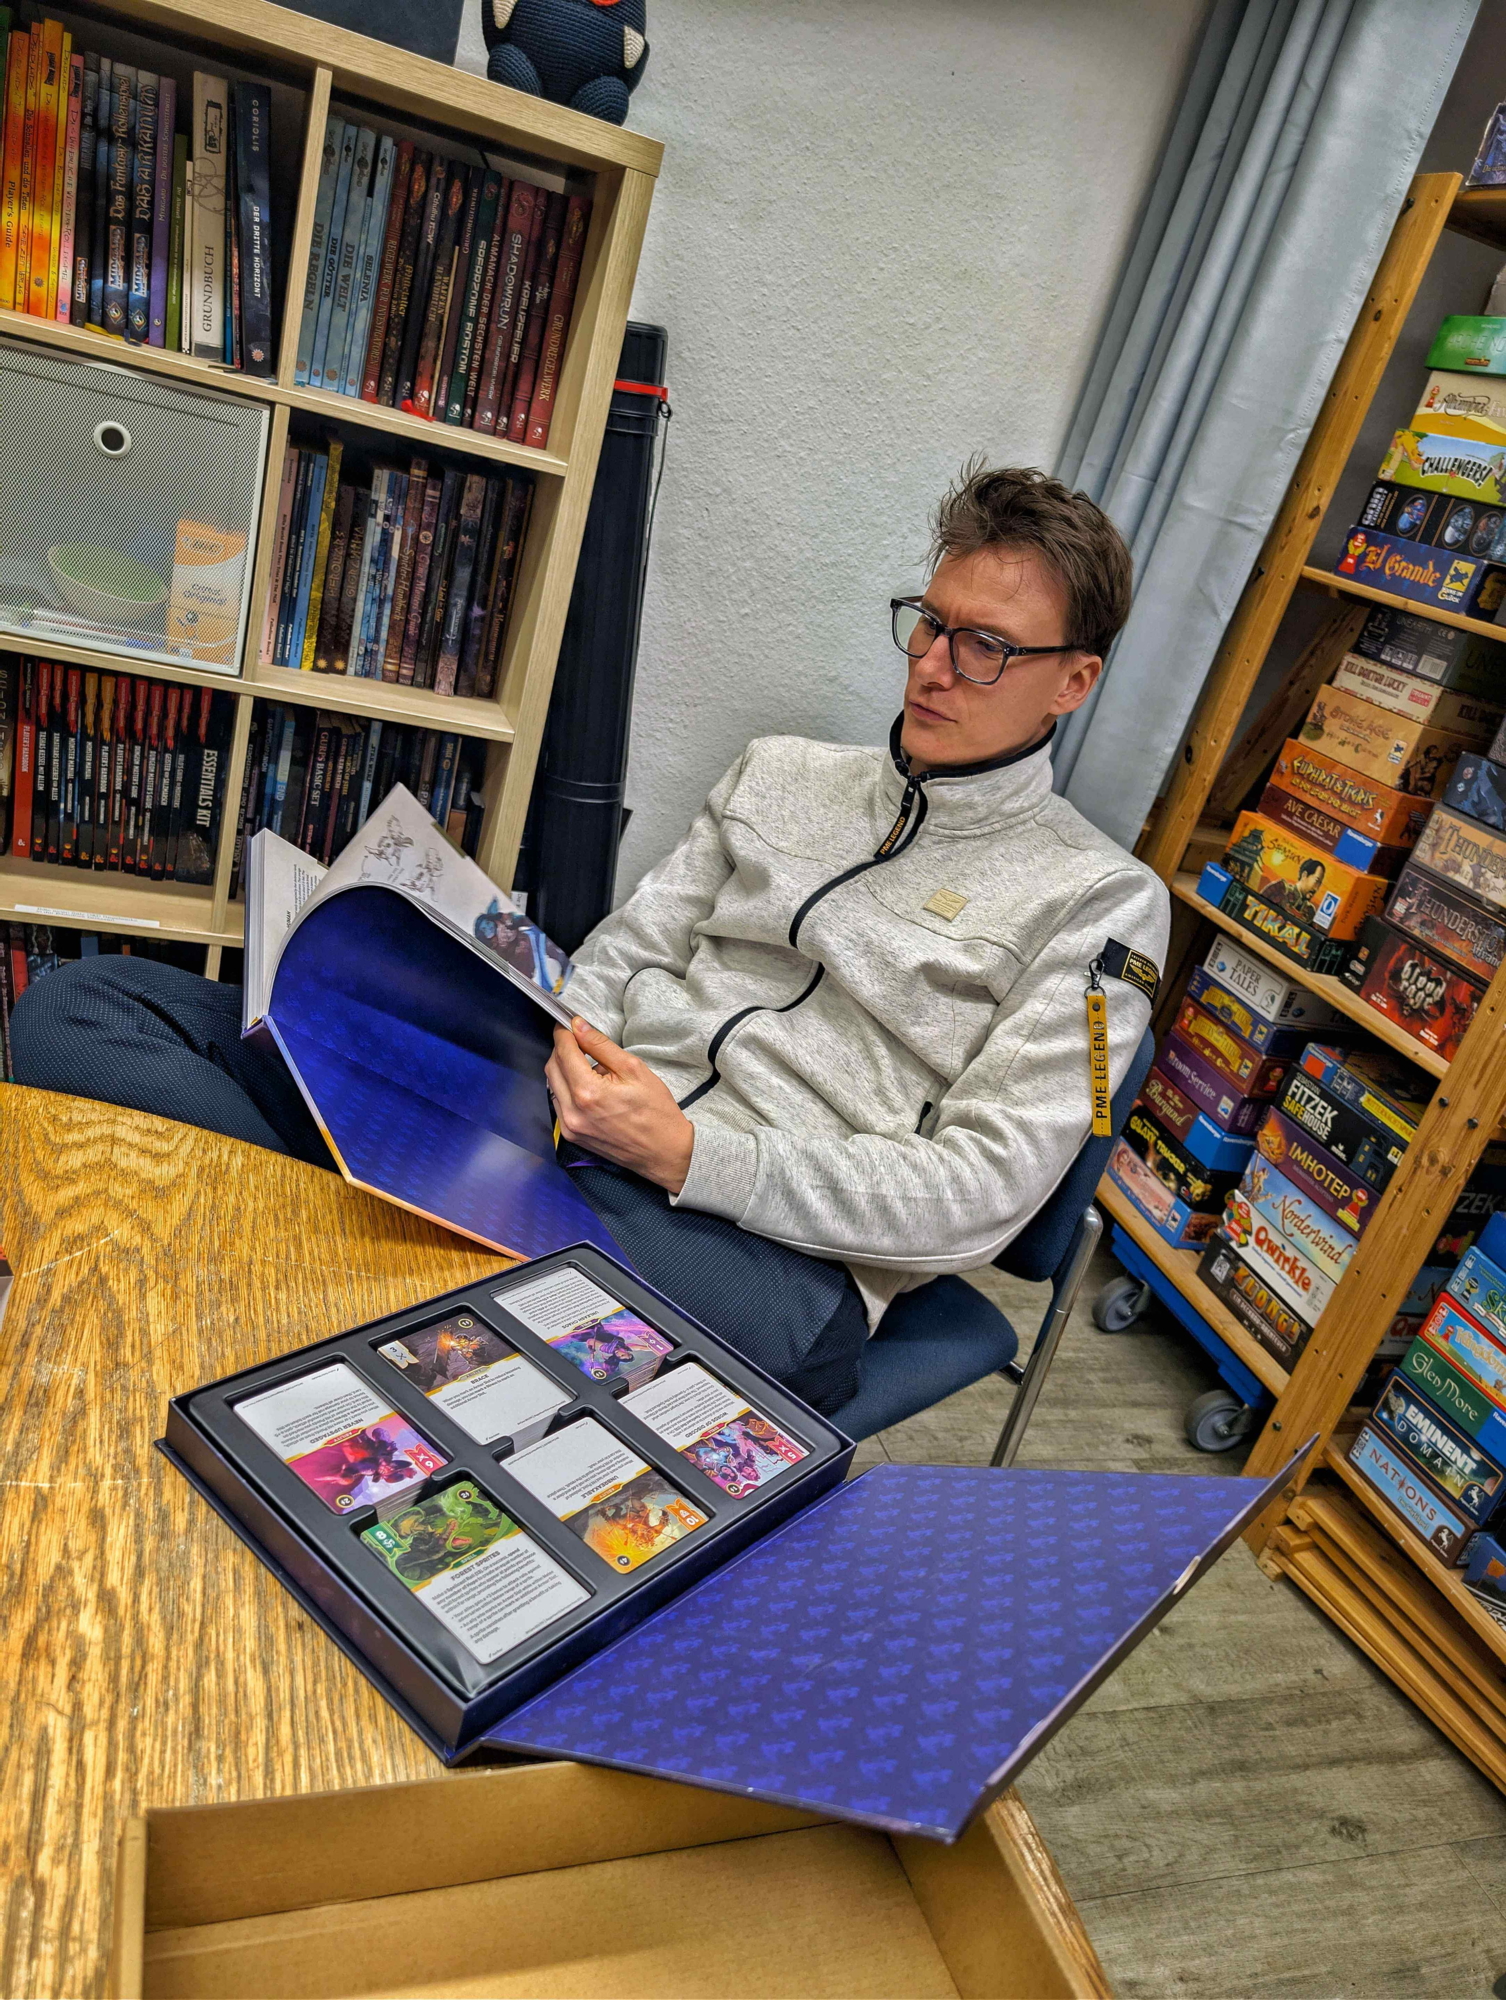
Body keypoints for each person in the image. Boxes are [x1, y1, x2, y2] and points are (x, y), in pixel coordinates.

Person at [10, 464, 1169, 1413]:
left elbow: (984, 1193)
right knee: (87, 1008)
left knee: (434, 1246)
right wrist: (540, 1034)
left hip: (768, 1255)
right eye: (930, 623)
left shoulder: (1101, 905)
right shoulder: (781, 772)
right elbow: (622, 953)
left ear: (1074, 680)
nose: (933, 665)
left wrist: (692, 1154)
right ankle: (338, 1242)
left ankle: (318, 1242)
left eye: (987, 646)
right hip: (569, 1118)